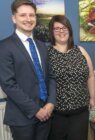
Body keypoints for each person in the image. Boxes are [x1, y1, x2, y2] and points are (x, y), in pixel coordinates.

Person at [0, 1, 56, 140]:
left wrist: (50, 103)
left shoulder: (43, 46)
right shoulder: (5, 46)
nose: (28, 19)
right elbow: (8, 84)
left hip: (46, 115)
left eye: (32, 15)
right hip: (22, 118)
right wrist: (35, 110)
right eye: (23, 15)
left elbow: (51, 77)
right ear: (14, 18)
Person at [48, 15, 95, 140]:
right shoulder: (46, 53)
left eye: (64, 28)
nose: (61, 31)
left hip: (80, 112)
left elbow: (91, 76)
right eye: (57, 28)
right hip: (56, 114)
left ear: (69, 30)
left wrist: (93, 98)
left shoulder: (80, 51)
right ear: (52, 32)